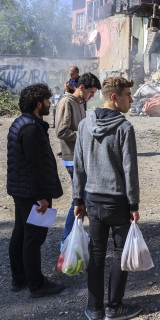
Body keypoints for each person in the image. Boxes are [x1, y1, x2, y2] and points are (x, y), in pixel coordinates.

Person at [73, 77, 143, 320]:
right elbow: (129, 170)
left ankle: (94, 310)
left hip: (92, 199)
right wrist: (134, 205)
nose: (131, 99)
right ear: (114, 97)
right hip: (117, 202)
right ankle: (113, 308)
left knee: (96, 253)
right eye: (128, 95)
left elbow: (78, 165)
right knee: (119, 253)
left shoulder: (84, 124)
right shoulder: (124, 128)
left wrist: (77, 199)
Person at [6, 83, 65, 298]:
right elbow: (33, 165)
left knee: (21, 233)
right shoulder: (30, 128)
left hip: (21, 190)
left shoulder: (22, 123)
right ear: (39, 103)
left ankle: (19, 279)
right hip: (32, 193)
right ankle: (37, 285)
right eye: (48, 100)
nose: (50, 104)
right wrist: (41, 197)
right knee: (33, 238)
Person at [56, 73, 101, 250]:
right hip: (72, 159)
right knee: (79, 199)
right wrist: (84, 135)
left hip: (80, 158)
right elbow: (61, 131)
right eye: (90, 92)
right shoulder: (67, 102)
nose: (92, 96)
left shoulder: (80, 102)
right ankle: (67, 241)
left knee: (83, 197)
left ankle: (77, 236)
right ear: (81, 87)